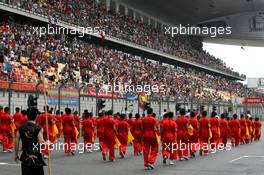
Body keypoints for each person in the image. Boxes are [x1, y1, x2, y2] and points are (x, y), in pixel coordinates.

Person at [14, 108, 46, 175]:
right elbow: (41, 143)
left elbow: (16, 141)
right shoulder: (39, 128)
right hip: (37, 156)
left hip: (25, 156)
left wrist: (16, 154)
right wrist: (47, 143)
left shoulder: (20, 128)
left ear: (27, 116)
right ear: (36, 116)